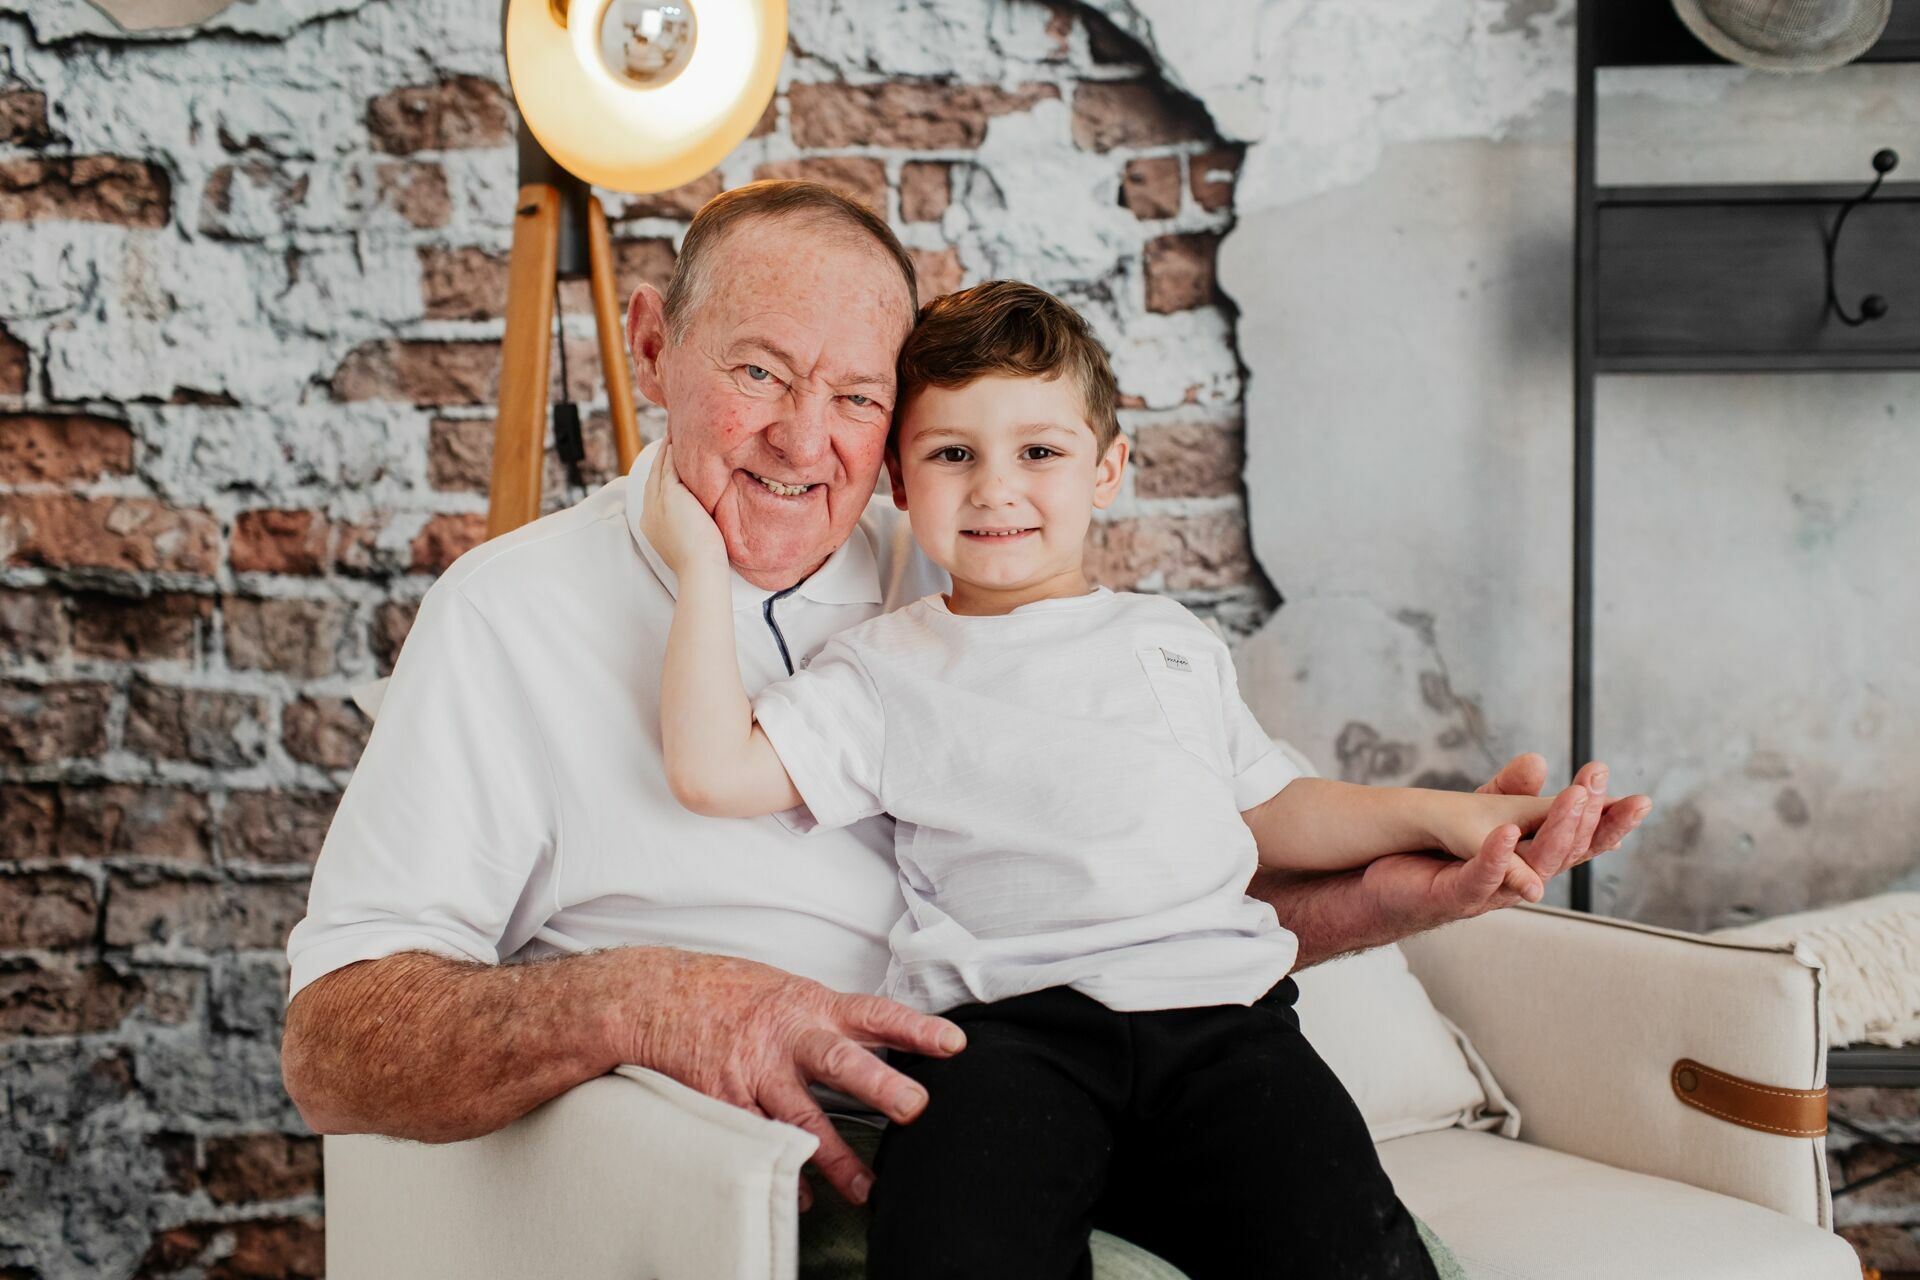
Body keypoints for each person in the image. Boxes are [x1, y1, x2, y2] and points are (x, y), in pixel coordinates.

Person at [280, 181, 1649, 1246]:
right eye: (756, 372)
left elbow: (1130, 897)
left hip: (1094, 1099)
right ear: (652, 343)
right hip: (783, 1175)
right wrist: (653, 998)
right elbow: (334, 1047)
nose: (805, 440)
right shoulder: (510, 614)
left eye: (859, 398)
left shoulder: (963, 578)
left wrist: (1390, 896)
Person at [641, 280, 1644, 1278]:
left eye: (1039, 451)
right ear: (900, 483)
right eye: (953, 454)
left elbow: (1270, 808)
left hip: (1222, 1028)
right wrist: (695, 561)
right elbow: (713, 768)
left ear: (1108, 467)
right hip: (1005, 1041)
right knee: (945, 1247)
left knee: (1352, 1250)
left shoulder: (1168, 641)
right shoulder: (883, 666)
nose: (995, 487)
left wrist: (1458, 816)